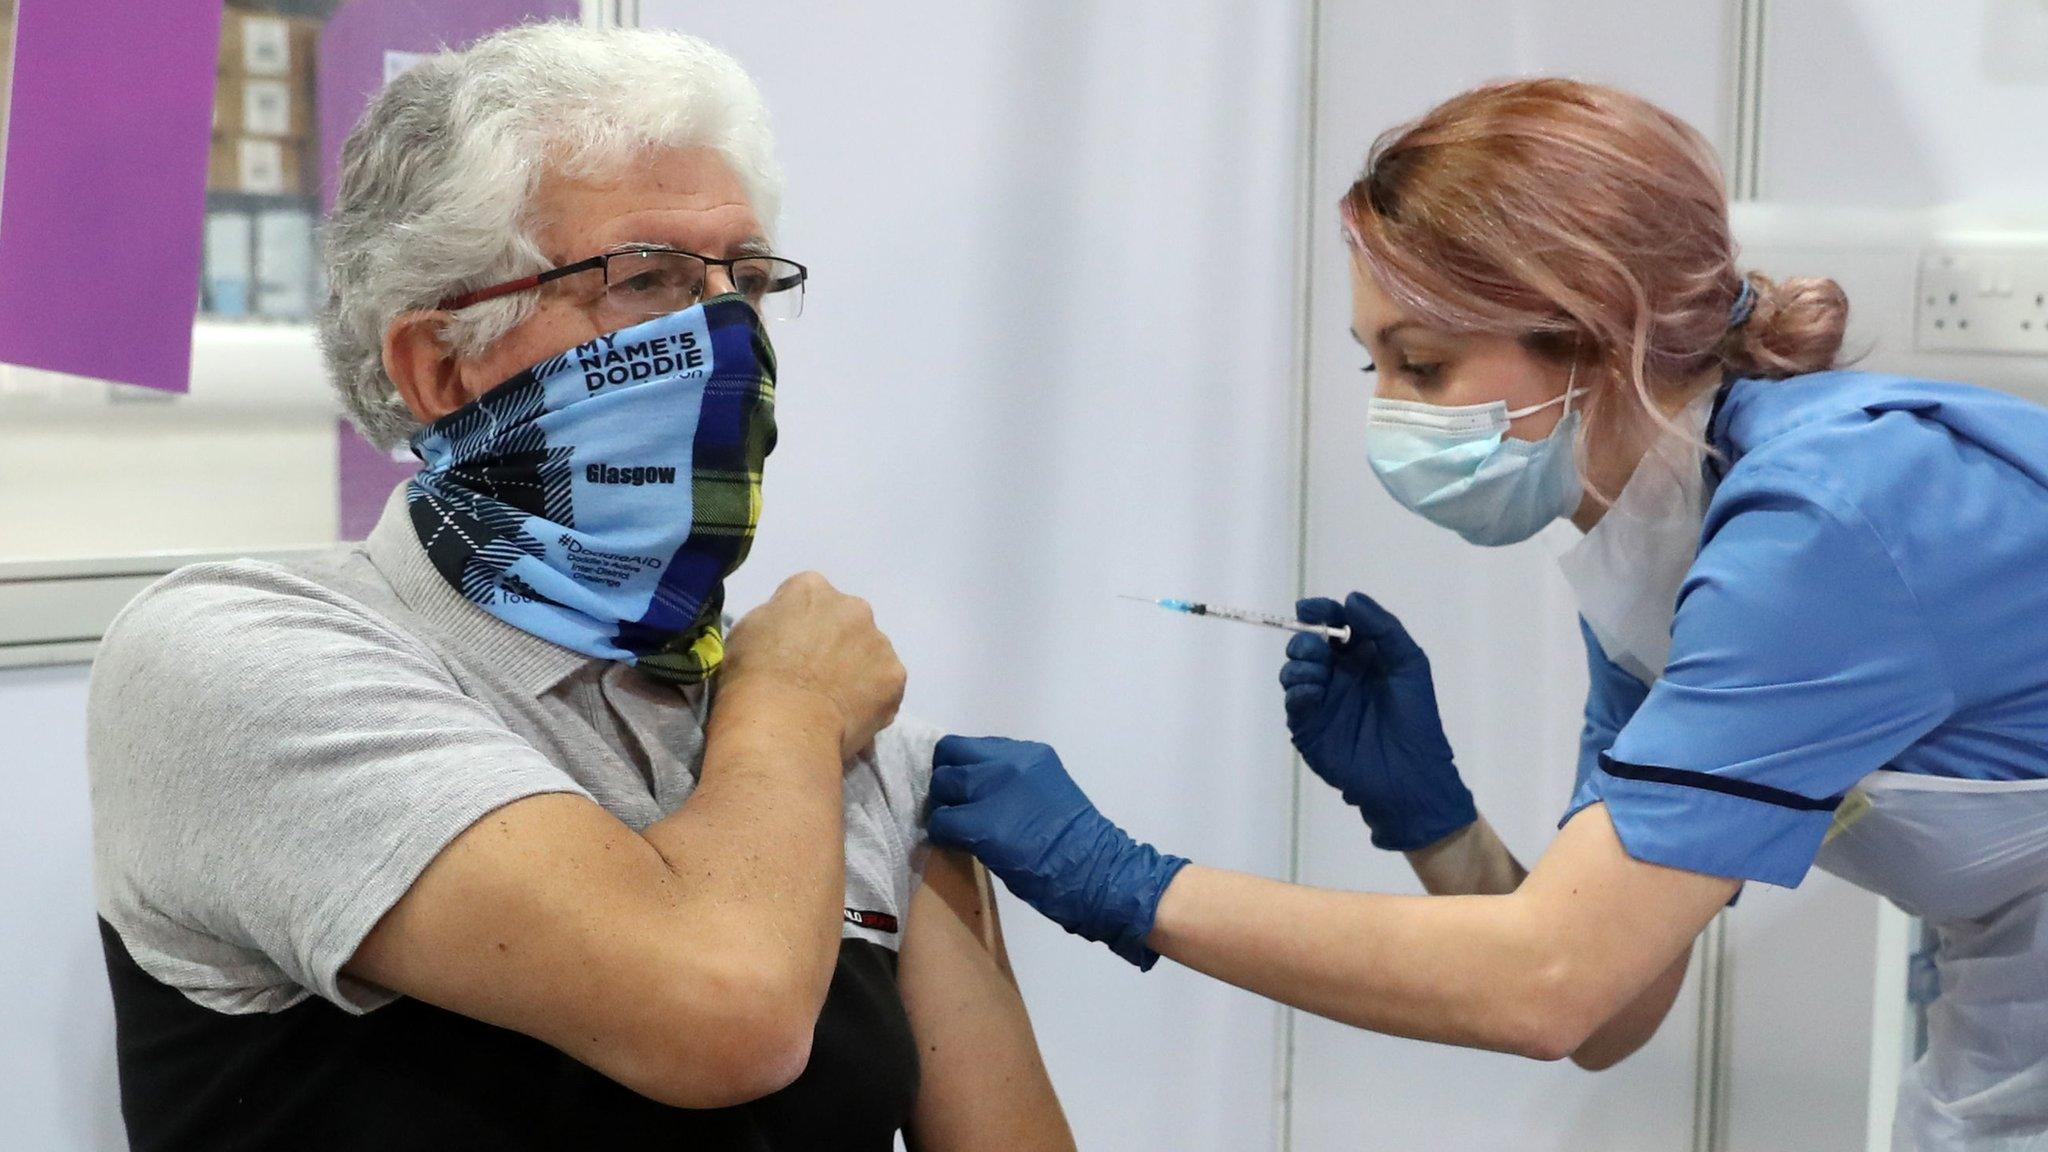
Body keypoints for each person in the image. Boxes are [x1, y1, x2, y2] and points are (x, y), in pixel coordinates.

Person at [925, 78, 2048, 1151]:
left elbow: (1550, 986)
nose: (1384, 417)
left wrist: (1119, 878)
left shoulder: (1823, 529)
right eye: (1372, 364)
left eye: (1420, 364)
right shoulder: (1657, 560)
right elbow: (1613, 1008)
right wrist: (1434, 823)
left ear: (1593, 330)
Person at [87, 24, 1072, 1152]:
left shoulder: (840, 730)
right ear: (440, 363)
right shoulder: (240, 655)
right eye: (644, 279)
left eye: (744, 280)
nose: (725, 339)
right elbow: (720, 1013)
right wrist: (790, 711)